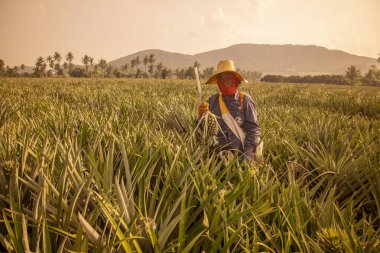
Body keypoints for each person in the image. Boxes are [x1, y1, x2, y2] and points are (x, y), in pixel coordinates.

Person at [198, 59, 261, 163]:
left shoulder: (244, 99)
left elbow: (253, 129)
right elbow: (204, 130)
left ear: (236, 80)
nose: (225, 82)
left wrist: (247, 157)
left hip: (242, 155)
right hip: (218, 158)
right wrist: (201, 117)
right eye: (221, 79)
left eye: (228, 78)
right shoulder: (212, 101)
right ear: (218, 82)